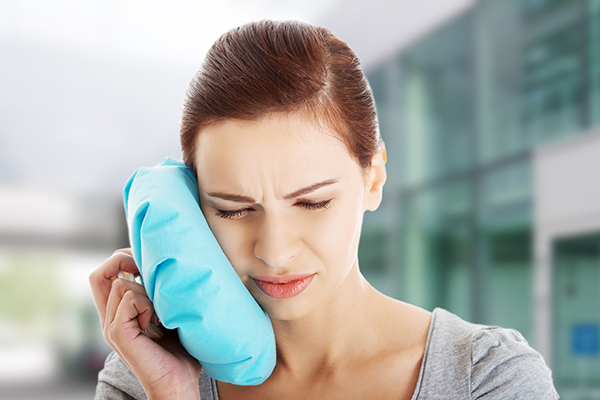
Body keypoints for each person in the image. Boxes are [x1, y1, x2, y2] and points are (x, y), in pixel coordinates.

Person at [89, 20, 559, 399]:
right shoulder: (143, 375)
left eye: (312, 202)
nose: (275, 251)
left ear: (373, 176)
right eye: (233, 210)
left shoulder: (488, 379)